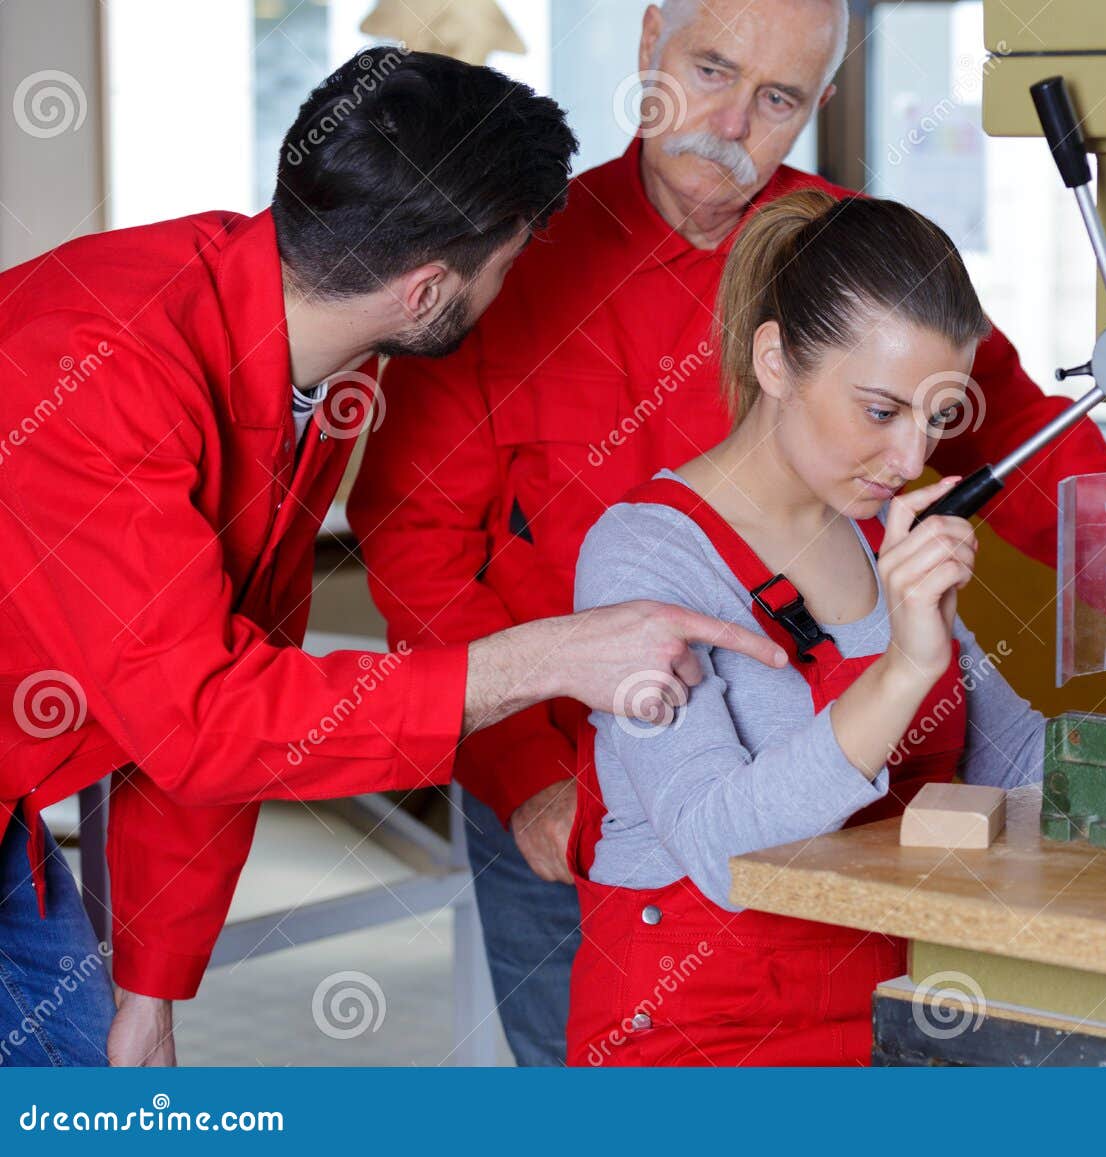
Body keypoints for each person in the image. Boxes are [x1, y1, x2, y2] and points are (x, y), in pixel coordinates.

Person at [347, 0, 1106, 1065]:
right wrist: (521, 769)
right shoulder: (514, 260)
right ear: (647, 45)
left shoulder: (849, 271)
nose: (729, 121)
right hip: (562, 790)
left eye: (777, 99)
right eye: (708, 69)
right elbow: (416, 538)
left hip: (828, 822)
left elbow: (1052, 471)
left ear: (818, 102)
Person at [0, 48, 785, 1067]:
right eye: (508, 261)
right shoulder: (88, 373)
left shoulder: (298, 365)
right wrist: (546, 656)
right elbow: (207, 718)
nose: (516, 286)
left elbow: (224, 689)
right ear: (424, 292)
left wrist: (149, 984)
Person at [565, 191, 1106, 1065]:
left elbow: (1027, 768)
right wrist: (906, 667)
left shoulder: (882, 536)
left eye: (938, 417)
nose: (914, 461)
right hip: (696, 1035)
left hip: (897, 1003)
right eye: (881, 411)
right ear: (774, 361)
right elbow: (724, 853)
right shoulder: (643, 554)